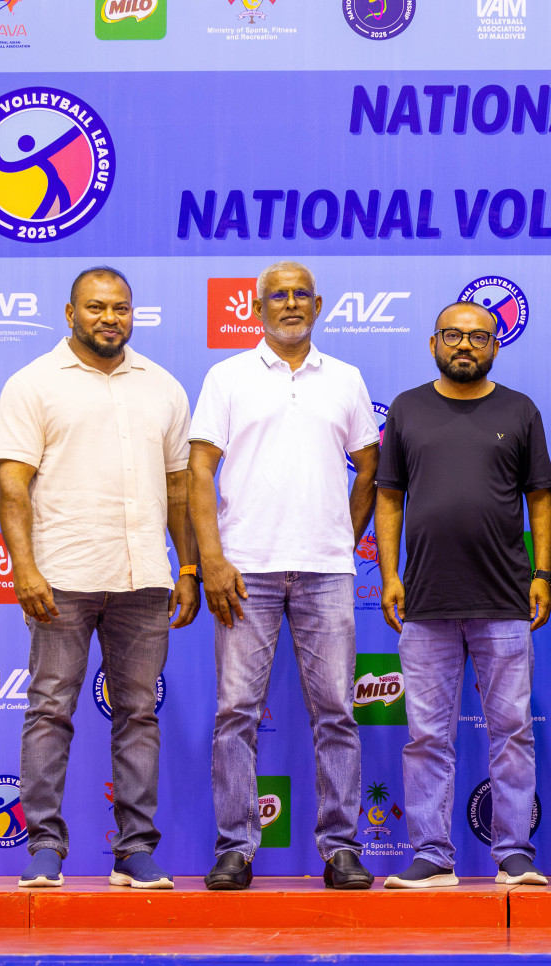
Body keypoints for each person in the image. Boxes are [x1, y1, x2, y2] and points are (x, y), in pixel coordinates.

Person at [0, 266, 199, 890]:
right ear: (70, 313)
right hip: (63, 576)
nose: (109, 318)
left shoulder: (161, 386)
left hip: (144, 579)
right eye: (96, 307)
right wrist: (25, 571)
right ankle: (46, 848)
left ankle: (135, 851)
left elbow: (177, 488)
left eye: (120, 308)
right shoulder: (32, 384)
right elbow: (11, 484)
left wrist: (186, 566)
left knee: (138, 714)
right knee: (51, 709)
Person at [190, 261, 381, 891]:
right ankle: (235, 849)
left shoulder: (346, 379)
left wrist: (343, 539)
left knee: (336, 713)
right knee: (236, 712)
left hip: (326, 572)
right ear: (258, 307)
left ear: (318, 306)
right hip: (246, 570)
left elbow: (368, 466)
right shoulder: (227, 376)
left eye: (301, 295)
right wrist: (211, 559)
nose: (291, 304)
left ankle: (341, 848)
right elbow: (199, 473)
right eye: (279, 295)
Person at [374, 301, 551, 889]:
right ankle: (431, 855)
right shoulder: (405, 409)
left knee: (512, 732)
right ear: (433, 343)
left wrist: (543, 574)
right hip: (424, 601)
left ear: (495, 346)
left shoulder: (520, 410)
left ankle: (514, 854)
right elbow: (389, 497)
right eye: (453, 334)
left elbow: (540, 499)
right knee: (427, 735)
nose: (465, 345)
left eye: (478, 336)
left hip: (504, 599)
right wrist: (389, 575)